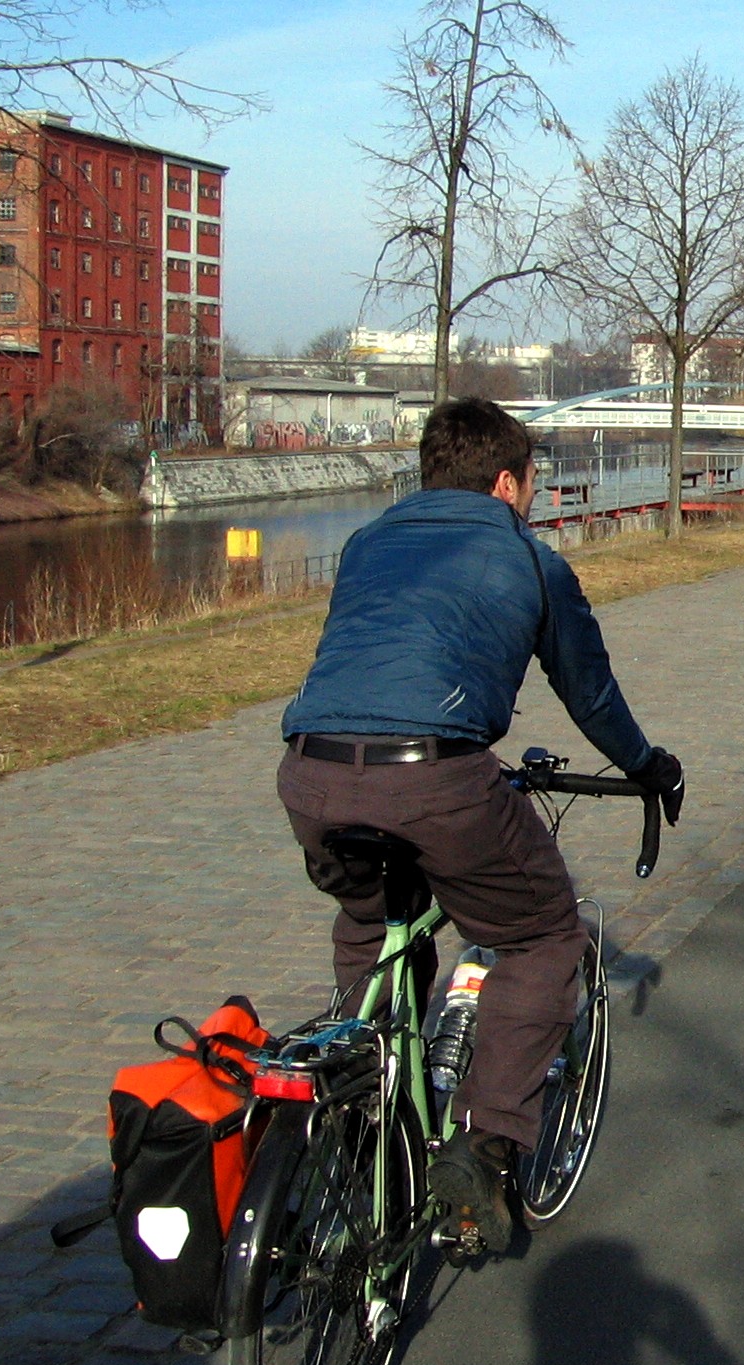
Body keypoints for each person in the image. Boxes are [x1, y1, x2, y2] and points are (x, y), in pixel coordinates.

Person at [278, 398, 684, 1253]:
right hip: (436, 777)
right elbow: (590, 695)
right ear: (506, 483)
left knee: (371, 920)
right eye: (532, 483)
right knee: (542, 936)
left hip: (311, 772)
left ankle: (368, 1105)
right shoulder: (529, 559)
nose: (533, 498)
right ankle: (488, 1143)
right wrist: (647, 766)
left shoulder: (366, 542)